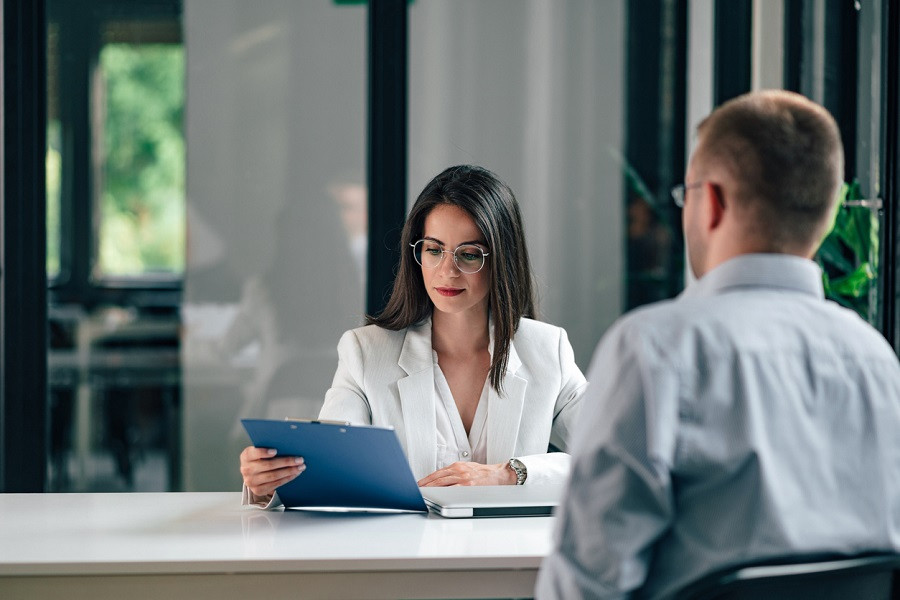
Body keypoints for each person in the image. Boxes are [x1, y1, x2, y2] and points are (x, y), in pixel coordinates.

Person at [536, 90, 900, 599]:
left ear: (711, 202)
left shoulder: (655, 350)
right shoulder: (877, 362)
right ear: (825, 214)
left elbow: (585, 584)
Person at [240, 165, 587, 507]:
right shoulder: (365, 353)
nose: (447, 271)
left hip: (511, 557)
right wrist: (268, 483)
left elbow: (613, 456)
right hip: (407, 557)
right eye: (434, 250)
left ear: (502, 259)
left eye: (469, 254)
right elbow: (331, 469)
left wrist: (509, 474)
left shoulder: (547, 350)